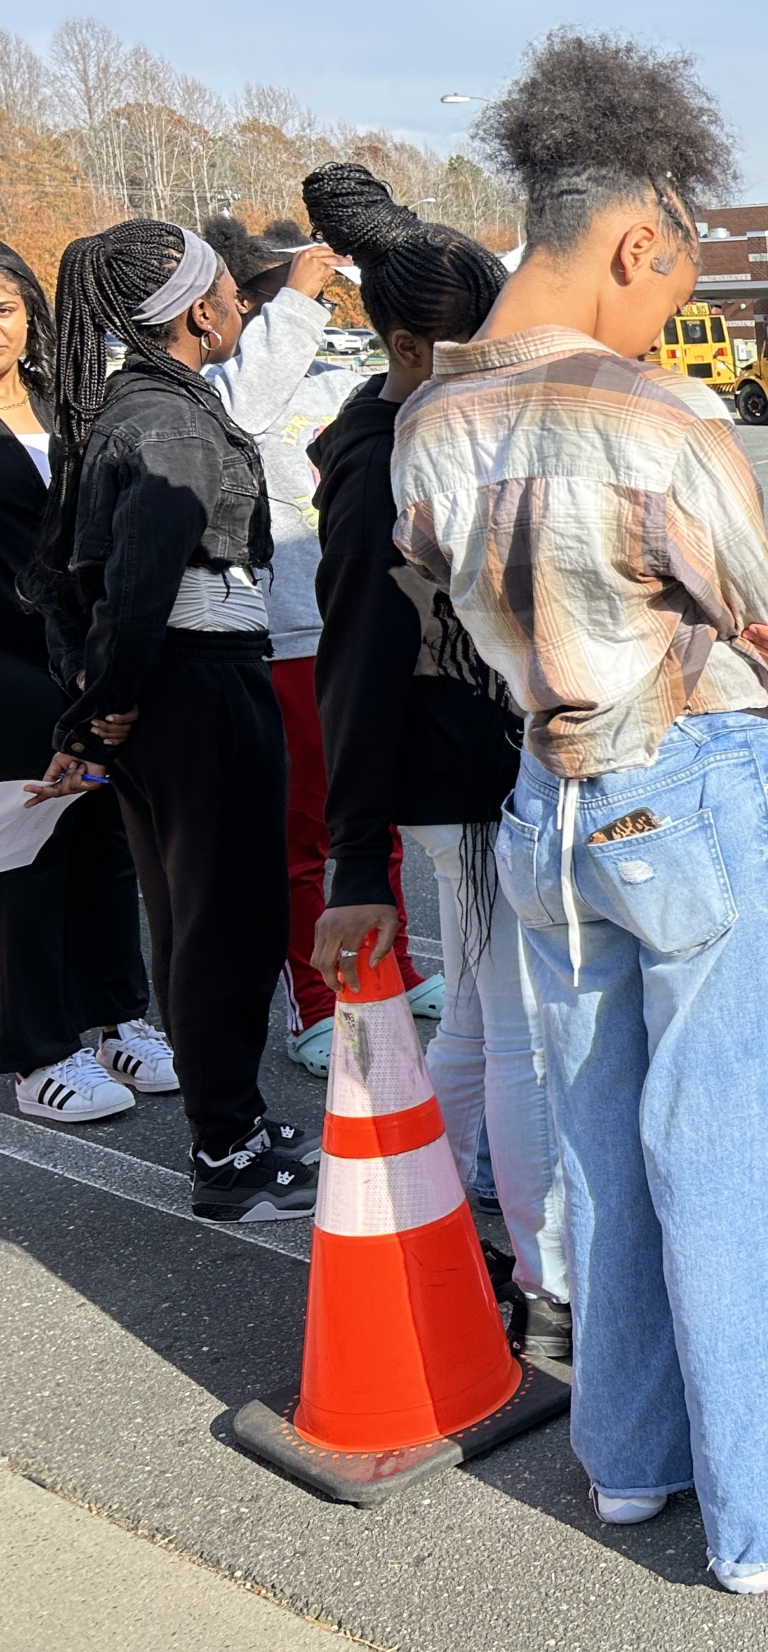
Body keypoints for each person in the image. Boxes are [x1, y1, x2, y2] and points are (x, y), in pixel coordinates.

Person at [392, 30, 768, 1591]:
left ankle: (627, 1461)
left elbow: (457, 607)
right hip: (687, 789)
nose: (672, 305)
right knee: (736, 1159)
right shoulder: (658, 420)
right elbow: (767, 630)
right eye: (674, 276)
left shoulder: (425, 425)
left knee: (602, 1142)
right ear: (636, 238)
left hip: (546, 796)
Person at [299, 162, 573, 1351]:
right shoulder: (379, 468)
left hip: (487, 761)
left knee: (478, 1015)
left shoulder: (434, 428)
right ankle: (540, 1277)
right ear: (408, 346)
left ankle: (443, 1221)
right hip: (453, 778)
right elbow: (353, 675)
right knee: (504, 1020)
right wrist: (356, 860)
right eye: (470, 349)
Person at [24, 221, 316, 1221]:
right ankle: (227, 1148)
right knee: (228, 919)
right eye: (234, 291)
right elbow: (140, 576)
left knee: (192, 914)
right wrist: (107, 697)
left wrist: (93, 701)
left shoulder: (123, 407)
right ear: (198, 310)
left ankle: (225, 1120)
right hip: (196, 679)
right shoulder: (171, 421)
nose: (242, 306)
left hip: (165, 684)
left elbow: (65, 577)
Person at [200, 216, 434, 1073]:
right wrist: (292, 301)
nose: (308, 304)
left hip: (364, 625)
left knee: (375, 820)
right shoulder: (229, 383)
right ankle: (313, 998)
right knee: (305, 836)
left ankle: (396, 971)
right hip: (289, 634)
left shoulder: (346, 370)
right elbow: (252, 403)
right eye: (265, 293)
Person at [0, 238, 173, 1123]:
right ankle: (35, 1053)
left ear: (31, 311)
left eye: (1, 307)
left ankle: (115, 1016)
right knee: (25, 856)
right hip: (11, 670)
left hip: (87, 657)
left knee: (106, 839)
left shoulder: (66, 405)